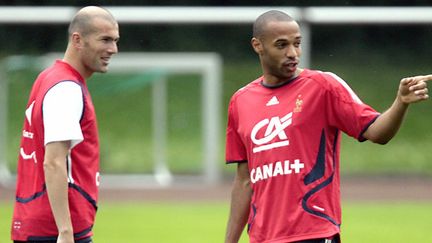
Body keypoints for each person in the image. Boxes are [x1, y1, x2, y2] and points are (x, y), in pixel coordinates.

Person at [224, 10, 430, 243]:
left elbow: (377, 132)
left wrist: (400, 103)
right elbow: (244, 180)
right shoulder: (240, 101)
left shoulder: (323, 87)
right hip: (263, 237)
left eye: (297, 43)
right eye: (281, 45)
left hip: (315, 232)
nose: (293, 53)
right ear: (257, 46)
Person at [11, 6, 119, 243]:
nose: (113, 49)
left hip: (37, 221)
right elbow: (53, 161)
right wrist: (65, 231)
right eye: (105, 40)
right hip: (54, 229)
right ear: (77, 40)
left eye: (115, 40)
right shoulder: (66, 88)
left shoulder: (50, 77)